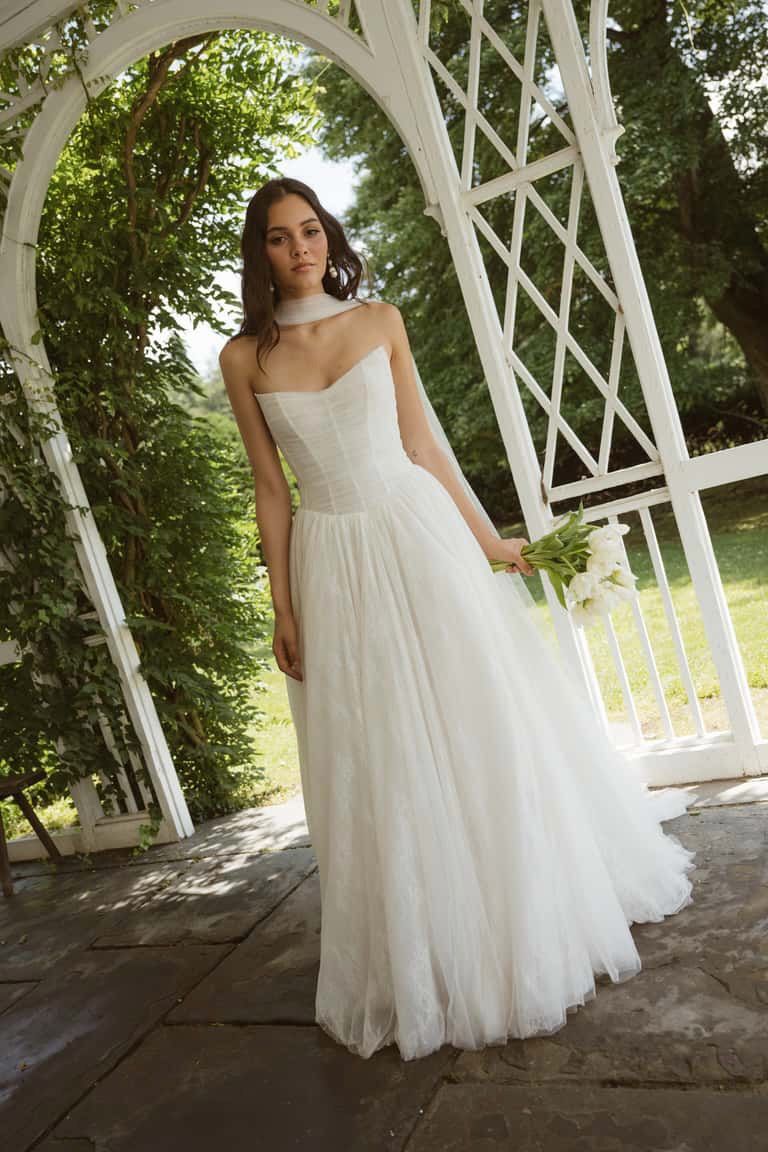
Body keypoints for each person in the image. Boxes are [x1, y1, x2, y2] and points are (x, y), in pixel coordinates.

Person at [219, 176, 696, 1063]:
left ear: (329, 237)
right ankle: (428, 942)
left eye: (310, 230)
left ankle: (524, 910)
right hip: (331, 555)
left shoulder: (380, 321)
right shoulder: (244, 357)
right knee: (382, 746)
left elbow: (422, 446)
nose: (299, 249)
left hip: (414, 529)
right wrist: (283, 604)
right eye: (279, 237)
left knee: (477, 716)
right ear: (261, 253)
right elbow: (269, 488)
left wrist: (489, 544)